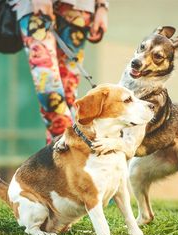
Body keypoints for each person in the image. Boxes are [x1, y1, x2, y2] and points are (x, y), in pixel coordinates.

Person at [9, 0, 109, 144]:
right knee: (50, 93)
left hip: (80, 9)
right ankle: (75, 149)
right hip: (34, 8)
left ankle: (59, 161)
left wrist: (102, 6)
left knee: (68, 97)